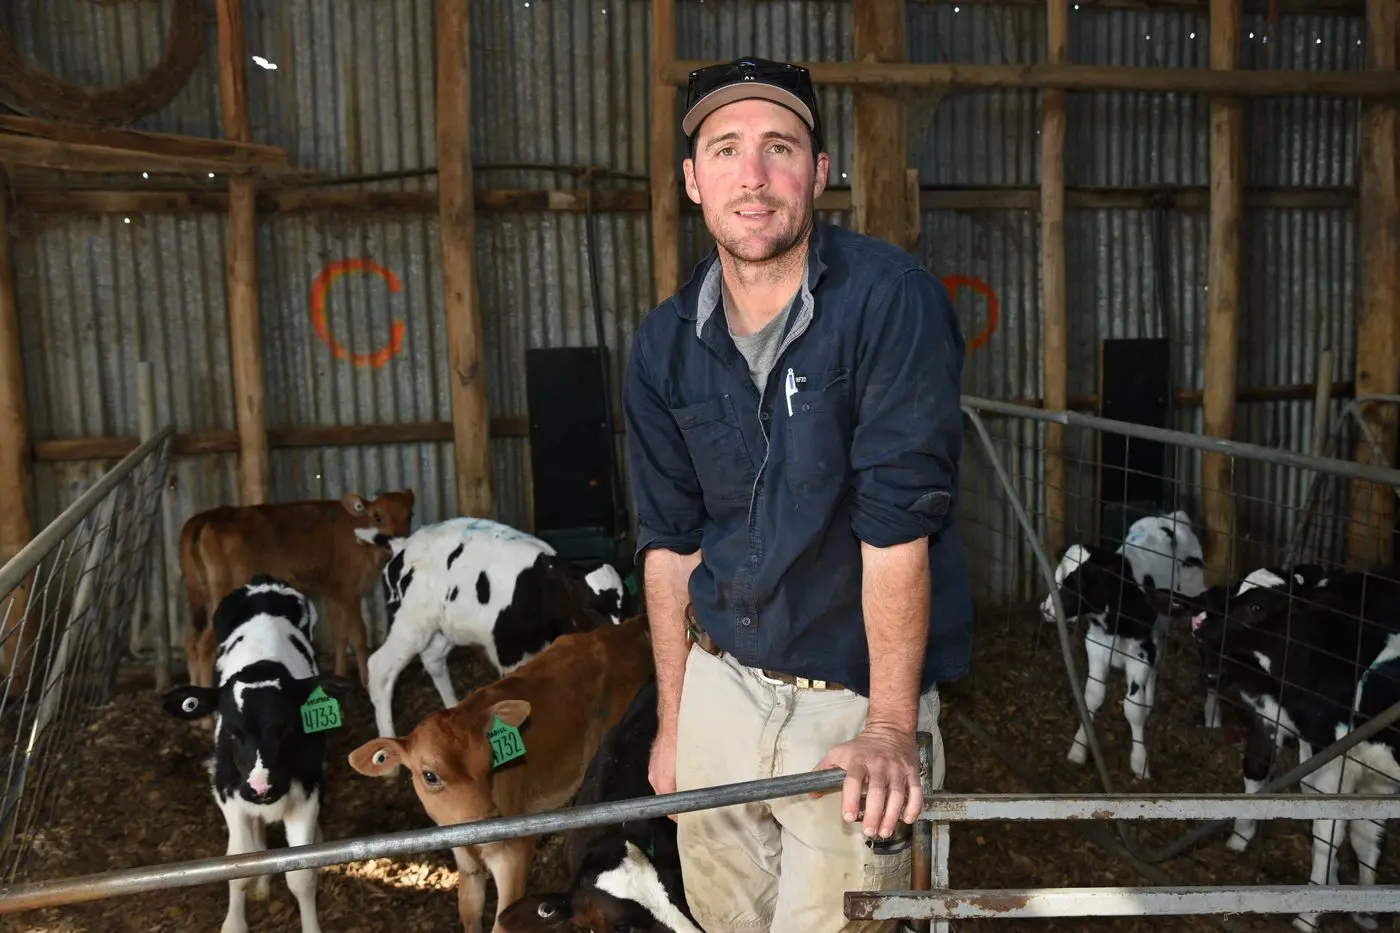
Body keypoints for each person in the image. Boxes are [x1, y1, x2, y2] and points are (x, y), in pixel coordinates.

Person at [621, 56, 972, 933]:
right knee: (722, 919)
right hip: (720, 687)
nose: (753, 174)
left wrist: (890, 726)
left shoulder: (891, 302)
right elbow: (669, 544)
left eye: (779, 147)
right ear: (692, 179)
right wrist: (675, 722)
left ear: (818, 172)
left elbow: (897, 529)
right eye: (726, 149)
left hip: (847, 701)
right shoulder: (664, 344)